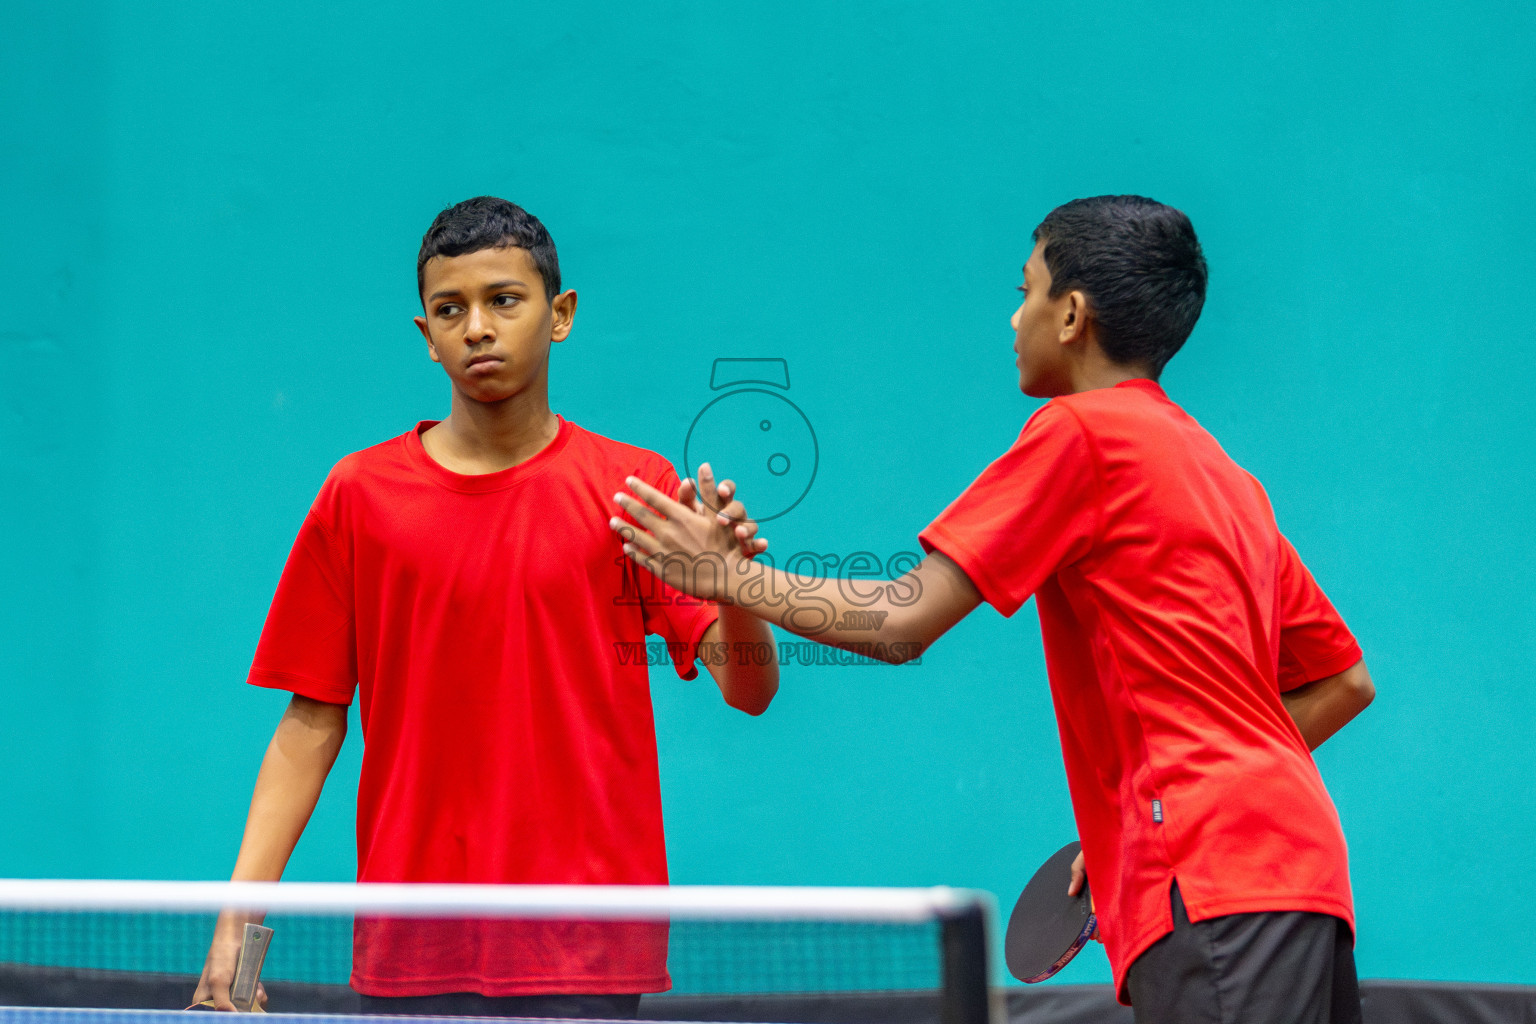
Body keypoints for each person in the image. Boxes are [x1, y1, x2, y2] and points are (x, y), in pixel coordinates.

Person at [613, 196, 1375, 1024]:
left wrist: (727, 580)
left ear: (1072, 313)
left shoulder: (1080, 435)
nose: (1016, 318)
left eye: (1027, 290)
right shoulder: (1223, 475)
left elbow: (904, 620)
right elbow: (1344, 681)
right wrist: (1153, 808)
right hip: (1300, 870)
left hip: (1210, 878)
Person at [193, 196, 779, 1016]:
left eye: (504, 299)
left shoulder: (636, 493)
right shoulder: (359, 496)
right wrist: (238, 918)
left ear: (560, 314)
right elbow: (310, 720)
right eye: (450, 308)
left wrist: (736, 588)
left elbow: (749, 688)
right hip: (412, 939)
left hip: (586, 943)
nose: (477, 327)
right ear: (426, 336)